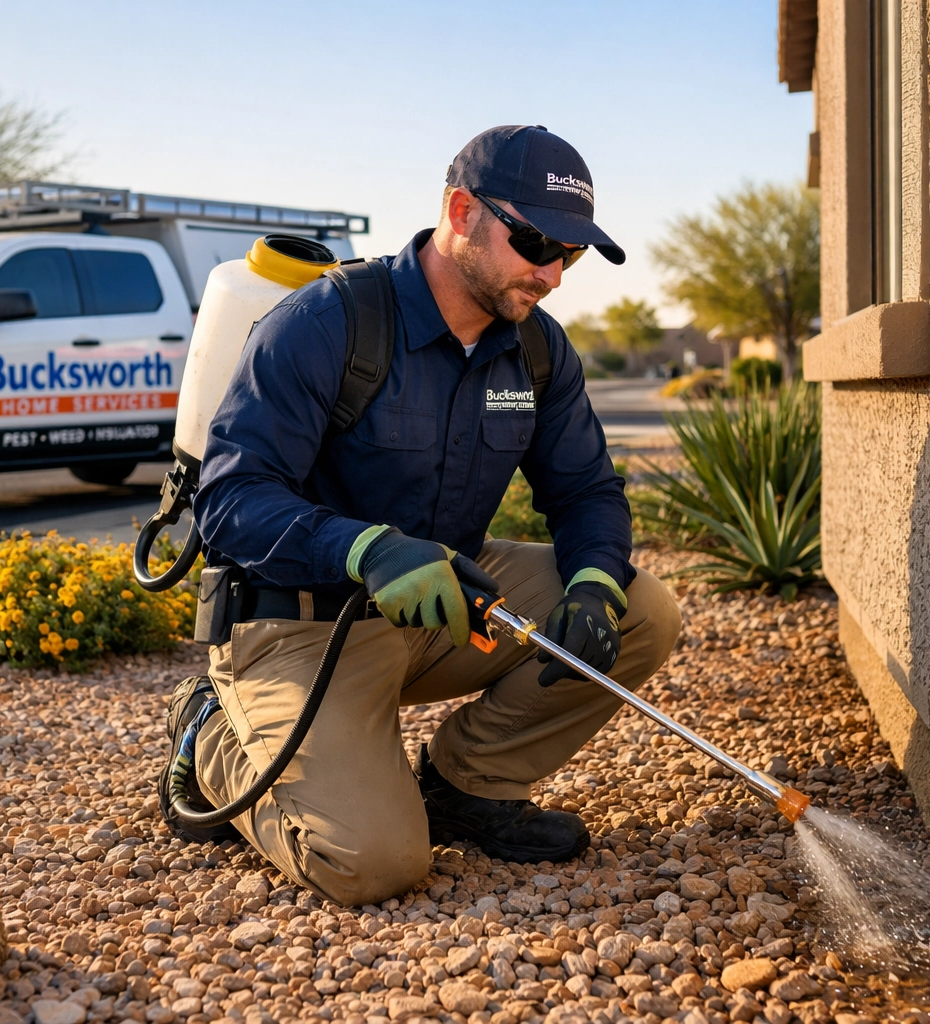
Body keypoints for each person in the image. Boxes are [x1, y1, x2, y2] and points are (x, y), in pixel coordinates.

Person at [167, 126, 683, 907]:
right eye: (535, 240)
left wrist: (592, 585)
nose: (550, 273)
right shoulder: (326, 324)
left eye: (569, 254)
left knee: (642, 609)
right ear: (460, 209)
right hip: (302, 625)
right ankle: (211, 734)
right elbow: (231, 500)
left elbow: (586, 492)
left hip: (443, 606)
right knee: (369, 863)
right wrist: (366, 549)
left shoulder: (535, 356)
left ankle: (466, 783)